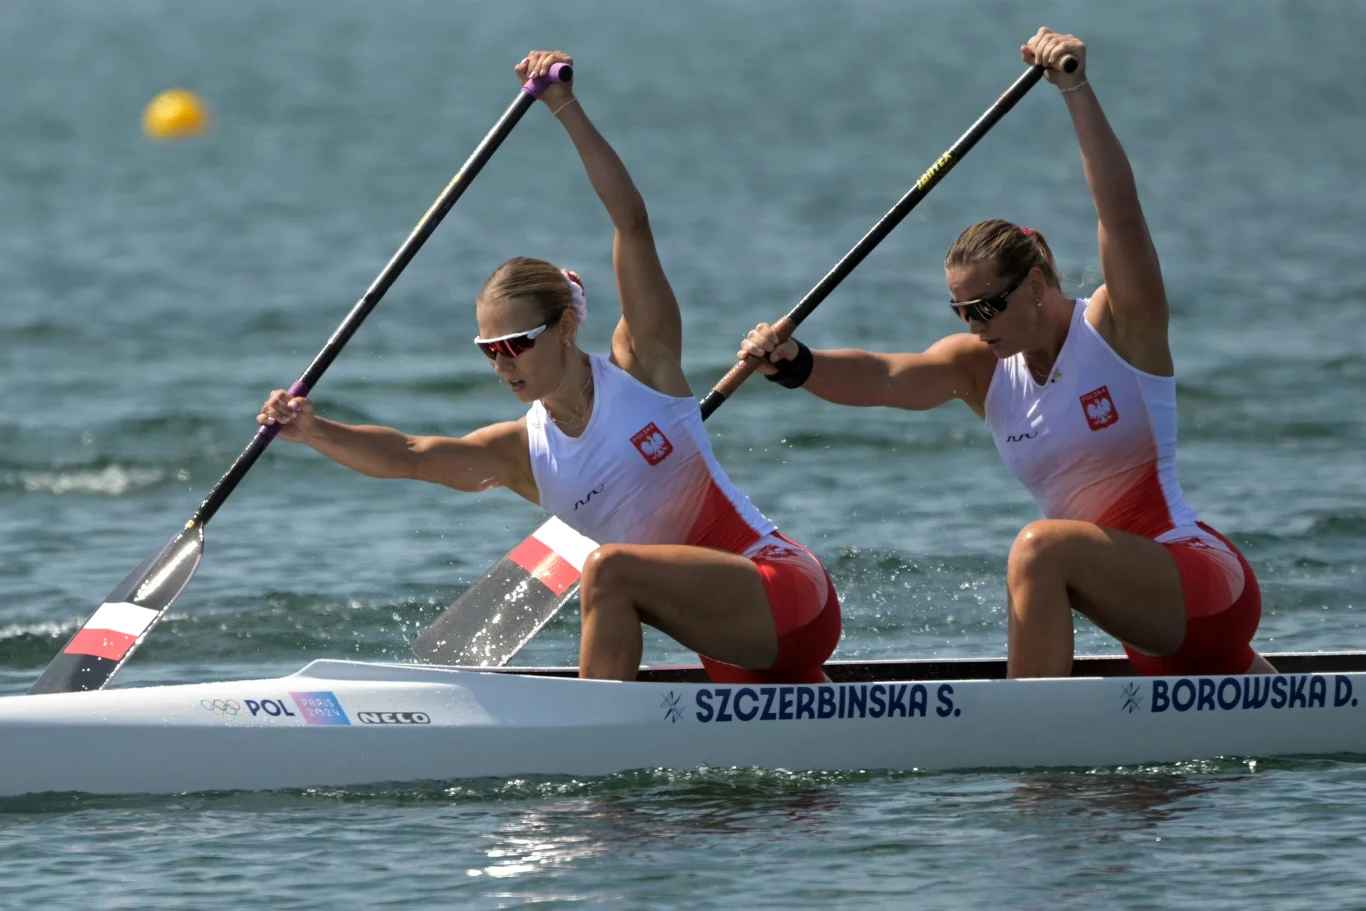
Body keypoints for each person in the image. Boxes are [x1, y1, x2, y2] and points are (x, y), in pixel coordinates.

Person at [259, 50, 840, 684]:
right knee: (788, 787)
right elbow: (408, 453)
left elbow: (633, 224)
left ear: (565, 327)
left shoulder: (644, 366)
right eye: (489, 350)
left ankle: (590, 764)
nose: (503, 363)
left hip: (785, 589)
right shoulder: (522, 452)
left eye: (516, 343)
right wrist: (313, 430)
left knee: (608, 570)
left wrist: (563, 107)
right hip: (730, 642)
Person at [738, 28, 1274, 679]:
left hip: (1198, 577)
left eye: (988, 306)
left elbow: (1122, 216)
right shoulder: (982, 370)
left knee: (1036, 550)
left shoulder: (1117, 326)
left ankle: (1030, 766)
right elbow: (882, 376)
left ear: (1039, 286)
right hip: (1148, 621)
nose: (976, 324)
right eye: (962, 311)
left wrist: (1074, 89)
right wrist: (794, 361)